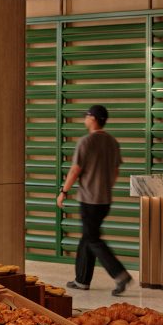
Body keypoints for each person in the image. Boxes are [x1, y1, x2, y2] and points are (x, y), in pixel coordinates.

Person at [56, 104, 132, 297]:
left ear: (94, 119)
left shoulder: (86, 142)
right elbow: (115, 172)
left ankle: (119, 274)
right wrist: (104, 188)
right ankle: (82, 280)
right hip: (104, 200)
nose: (85, 119)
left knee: (92, 238)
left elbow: (75, 170)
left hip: (89, 199)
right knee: (87, 237)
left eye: (87, 116)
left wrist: (63, 191)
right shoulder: (113, 142)